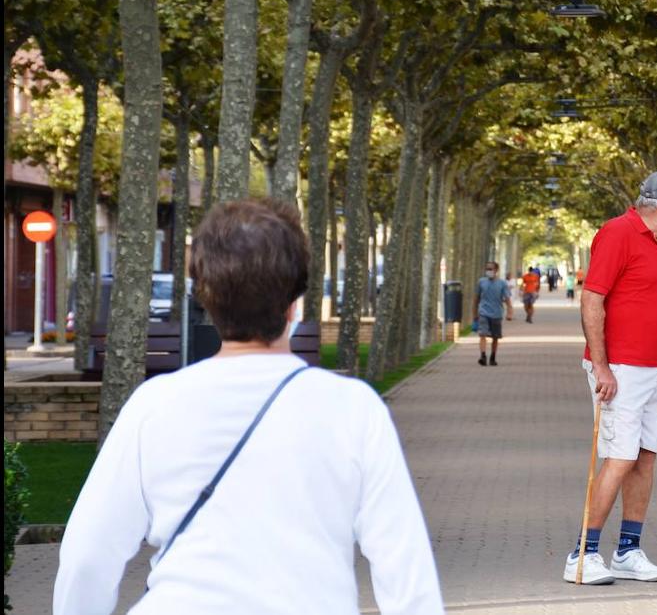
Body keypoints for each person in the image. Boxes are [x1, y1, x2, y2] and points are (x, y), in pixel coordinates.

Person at [53, 199, 443, 614]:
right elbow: (404, 566)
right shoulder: (354, 410)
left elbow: (88, 558)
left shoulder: (153, 405)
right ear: (293, 303)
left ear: (207, 297)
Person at [562, 169, 657, 585]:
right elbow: (592, 300)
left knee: (644, 458)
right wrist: (601, 366)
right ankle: (582, 556)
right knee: (619, 457)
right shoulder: (617, 233)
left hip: (656, 366)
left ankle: (627, 551)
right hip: (621, 368)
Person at [475, 261, 511, 366]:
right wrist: (474, 313)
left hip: (496, 313)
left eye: (491, 269)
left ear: (496, 270)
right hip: (483, 313)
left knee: (495, 337)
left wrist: (509, 312)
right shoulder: (481, 282)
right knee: (482, 334)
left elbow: (507, 299)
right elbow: (476, 298)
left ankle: (493, 357)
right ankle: (483, 355)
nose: (488, 271)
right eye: (487, 269)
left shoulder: (502, 283)